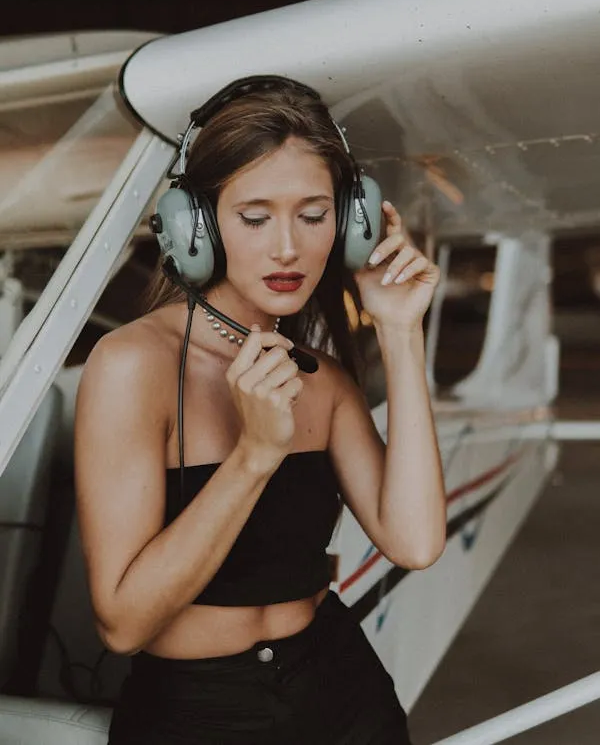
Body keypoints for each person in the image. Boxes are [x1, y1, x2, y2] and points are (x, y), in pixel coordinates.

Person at [74, 76, 446, 744]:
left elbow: (415, 542)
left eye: (314, 215)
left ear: (349, 225)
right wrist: (254, 456)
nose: (288, 247)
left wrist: (399, 331)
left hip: (342, 694)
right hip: (200, 714)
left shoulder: (324, 380)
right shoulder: (132, 365)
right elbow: (122, 624)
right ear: (196, 225)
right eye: (254, 217)